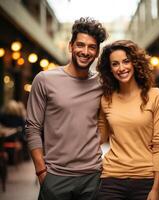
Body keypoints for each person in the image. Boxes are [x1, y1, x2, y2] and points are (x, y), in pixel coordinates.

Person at [25, 17, 108, 200]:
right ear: (70, 46)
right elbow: (32, 128)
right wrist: (42, 173)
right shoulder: (44, 80)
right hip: (55, 176)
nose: (85, 51)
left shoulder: (102, 83)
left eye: (91, 47)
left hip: (93, 176)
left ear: (97, 52)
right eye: (80, 45)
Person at [96, 40, 159, 200]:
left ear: (135, 63)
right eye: (115, 64)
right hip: (111, 178)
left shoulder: (156, 96)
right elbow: (100, 137)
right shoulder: (106, 99)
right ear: (110, 69)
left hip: (145, 179)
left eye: (126, 61)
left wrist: (156, 188)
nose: (121, 68)